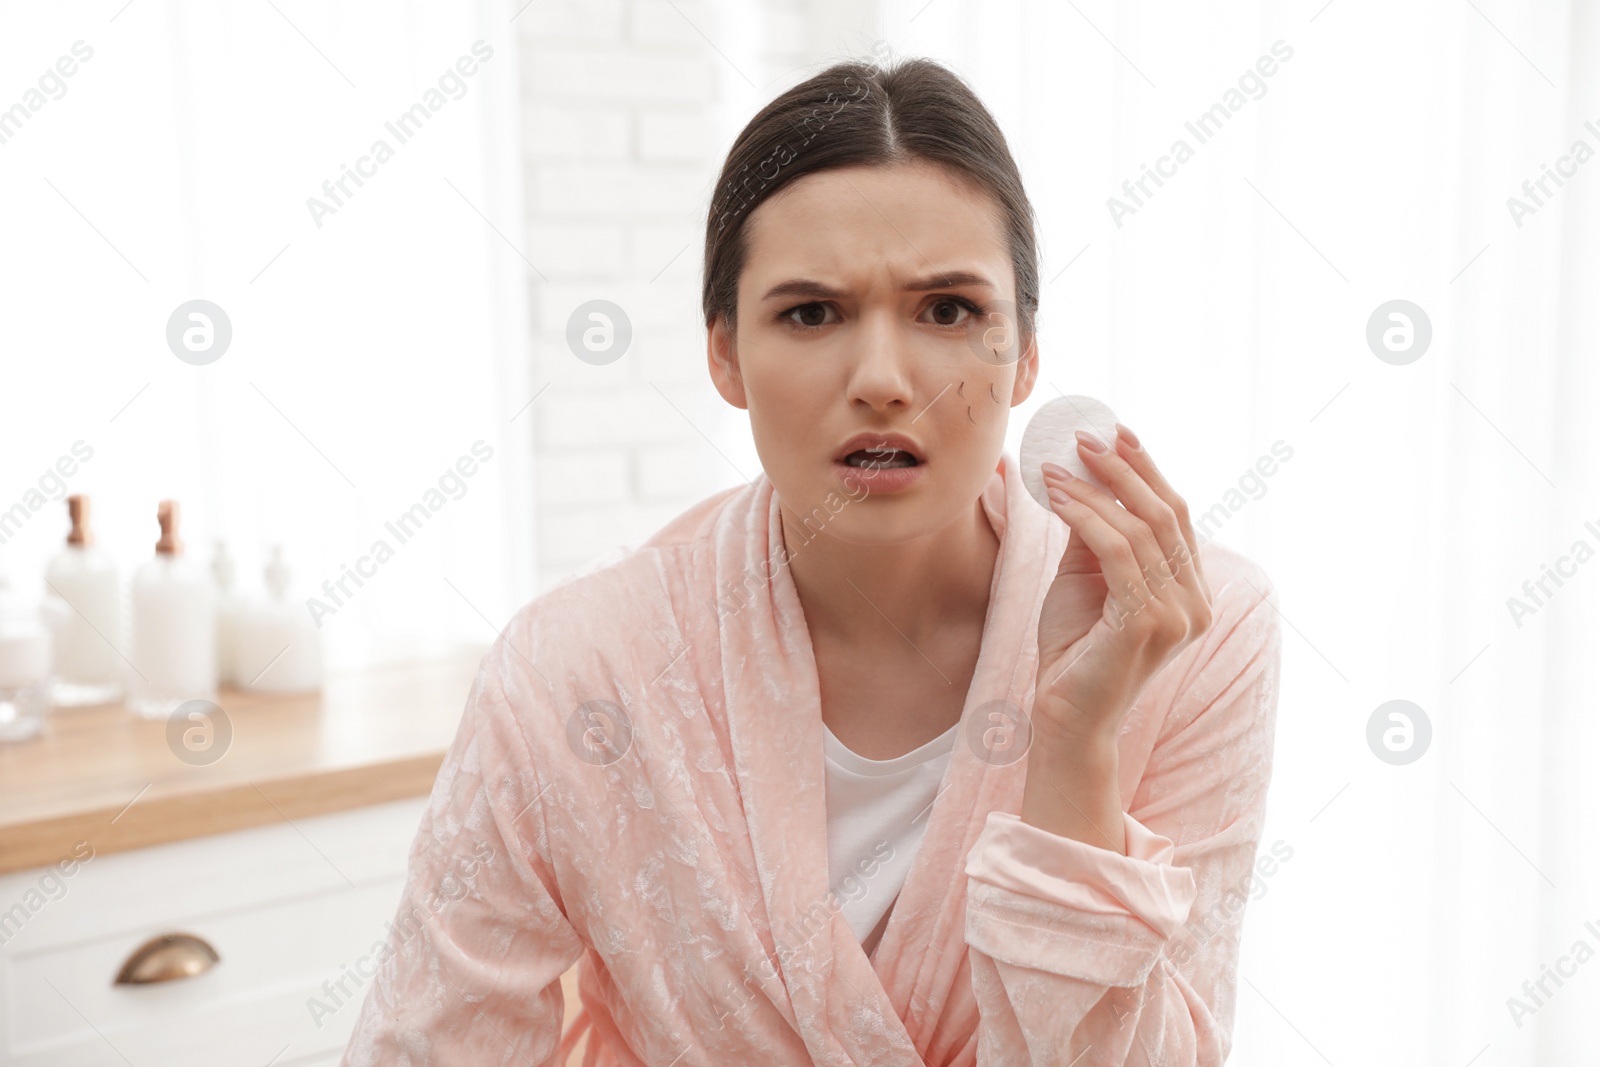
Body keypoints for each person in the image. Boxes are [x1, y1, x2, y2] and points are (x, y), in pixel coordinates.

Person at [342, 55, 1282, 1067]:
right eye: (810, 312)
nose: (881, 379)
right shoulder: (574, 670)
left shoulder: (1198, 632)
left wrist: (1071, 742)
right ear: (724, 355)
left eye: (948, 309)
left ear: (1026, 356)